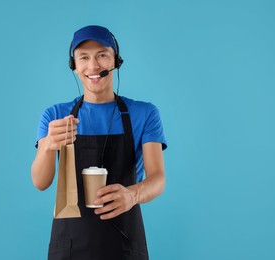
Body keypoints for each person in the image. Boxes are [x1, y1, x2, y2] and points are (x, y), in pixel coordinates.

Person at [31, 25, 167, 260]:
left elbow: (158, 179)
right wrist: (47, 146)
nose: (93, 66)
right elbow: (40, 182)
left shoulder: (144, 113)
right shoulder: (55, 116)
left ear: (116, 60)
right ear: (74, 66)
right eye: (84, 57)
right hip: (70, 246)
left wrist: (132, 195)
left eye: (102, 55)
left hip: (124, 243)